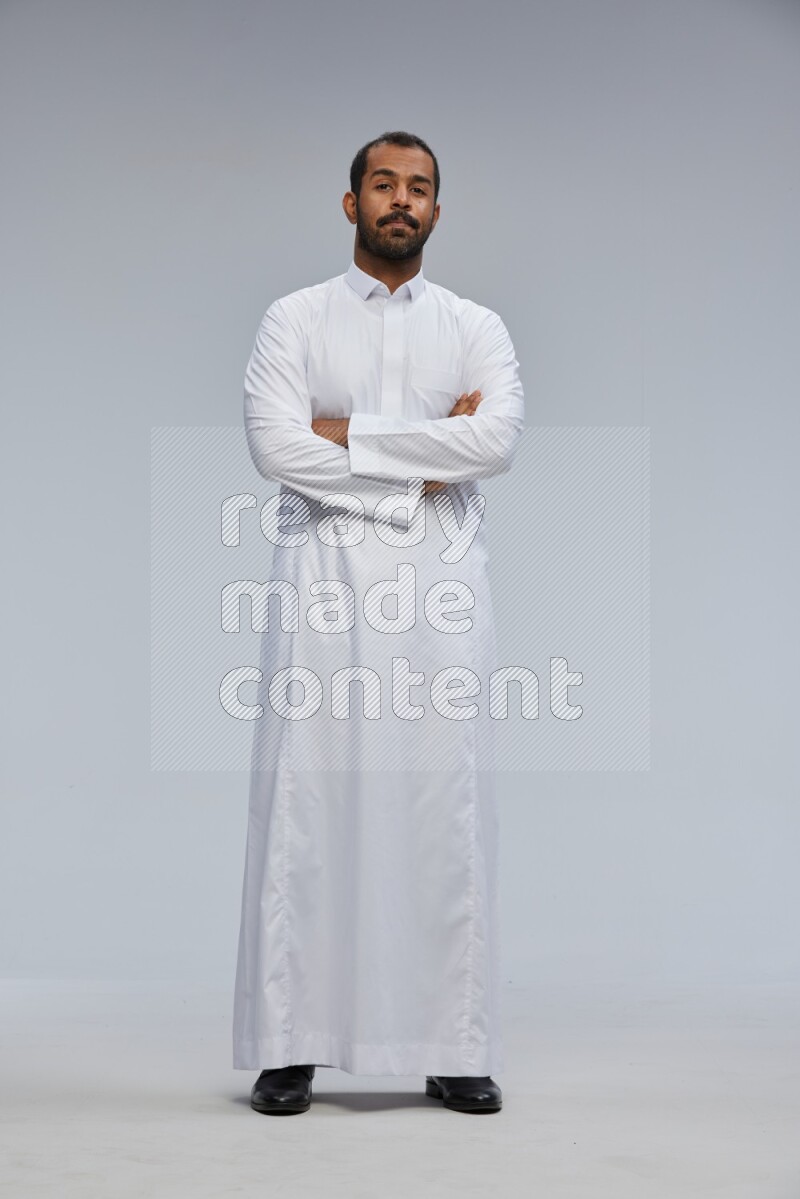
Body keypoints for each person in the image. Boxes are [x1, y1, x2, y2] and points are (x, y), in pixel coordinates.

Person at [233, 130, 525, 1115]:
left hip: (441, 593)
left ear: (437, 210)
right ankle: (289, 1045)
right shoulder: (295, 318)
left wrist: (345, 432)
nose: (402, 199)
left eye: (420, 187)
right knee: (308, 803)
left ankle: (453, 1045)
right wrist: (422, 462)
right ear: (350, 201)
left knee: (443, 803)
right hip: (322, 584)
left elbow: (496, 440)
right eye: (384, 183)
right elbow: (276, 447)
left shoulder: (474, 325)